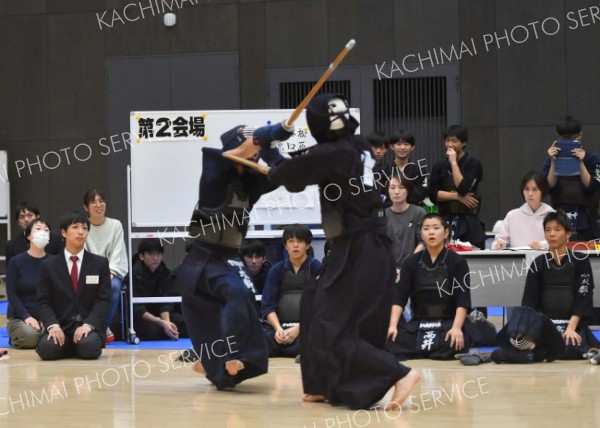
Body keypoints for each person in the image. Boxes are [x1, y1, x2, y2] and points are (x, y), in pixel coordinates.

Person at [267, 93, 420, 410]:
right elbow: (310, 163)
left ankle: (398, 373)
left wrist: (270, 148)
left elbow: (289, 177)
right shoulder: (358, 144)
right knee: (312, 306)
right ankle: (322, 384)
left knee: (327, 324)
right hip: (362, 248)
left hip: (359, 249)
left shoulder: (334, 151)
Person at [175, 121, 294, 390]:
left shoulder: (250, 184)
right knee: (234, 295)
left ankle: (219, 364)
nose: (253, 152)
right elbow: (239, 150)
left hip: (228, 256)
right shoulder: (214, 174)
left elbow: (284, 176)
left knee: (242, 299)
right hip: (203, 257)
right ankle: (229, 354)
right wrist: (269, 133)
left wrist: (274, 147)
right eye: (249, 145)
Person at [387, 213, 475, 360]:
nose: (431, 232)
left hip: (447, 323)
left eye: (436, 228)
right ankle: (430, 350)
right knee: (390, 339)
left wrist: (456, 328)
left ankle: (419, 350)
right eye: (426, 229)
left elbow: (463, 300)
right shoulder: (411, 262)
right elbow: (399, 298)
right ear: (421, 233)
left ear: (446, 232)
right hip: (419, 323)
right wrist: (392, 326)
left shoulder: (458, 261)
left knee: (456, 340)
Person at [519, 211, 599, 359]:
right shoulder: (538, 263)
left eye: (557, 229)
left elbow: (584, 296)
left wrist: (571, 328)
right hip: (545, 325)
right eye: (548, 230)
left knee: (570, 347)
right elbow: (529, 301)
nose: (552, 234)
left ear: (568, 234)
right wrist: (530, 331)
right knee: (518, 345)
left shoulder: (580, 261)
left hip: (573, 326)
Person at [35, 211, 111, 360]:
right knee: (47, 349)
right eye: (75, 227)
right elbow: (43, 301)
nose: (81, 232)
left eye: (85, 228)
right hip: (61, 326)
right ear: (64, 232)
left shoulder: (99, 263)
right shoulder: (48, 265)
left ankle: (77, 346)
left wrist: (89, 324)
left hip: (87, 327)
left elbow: (104, 300)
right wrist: (53, 325)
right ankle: (68, 345)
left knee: (88, 347)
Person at [261, 224, 321, 358]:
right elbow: (268, 306)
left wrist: (298, 329)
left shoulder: (317, 268)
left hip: (307, 327)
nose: (295, 245)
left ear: (308, 245)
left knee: (320, 335)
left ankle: (303, 351)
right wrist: (279, 330)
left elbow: (321, 306)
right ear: (285, 245)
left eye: (300, 241)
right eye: (291, 241)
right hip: (281, 327)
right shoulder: (276, 270)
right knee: (257, 336)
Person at [543, 116, 600, 240]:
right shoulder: (551, 160)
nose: (568, 142)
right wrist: (553, 161)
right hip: (559, 217)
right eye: (563, 139)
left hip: (586, 219)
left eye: (572, 138)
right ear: (557, 137)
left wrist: (580, 162)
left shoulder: (593, 159)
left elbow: (593, 188)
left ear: (580, 136)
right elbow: (549, 188)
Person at [428, 125, 486, 249]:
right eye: (447, 140)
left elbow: (463, 188)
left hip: (469, 222)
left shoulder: (474, 164)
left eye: (454, 141)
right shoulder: (439, 165)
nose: (450, 144)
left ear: (464, 142)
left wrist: (453, 162)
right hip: (446, 219)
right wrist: (457, 197)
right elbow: (433, 195)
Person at [83, 190, 128, 342]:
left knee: (113, 286)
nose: (98, 205)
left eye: (101, 201)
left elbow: (118, 252)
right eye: (93, 202)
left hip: (111, 273)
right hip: (89, 273)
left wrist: (110, 273)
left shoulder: (115, 225)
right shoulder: (83, 227)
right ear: (86, 207)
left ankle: (101, 327)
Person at [126, 238, 187, 341]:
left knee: (184, 325)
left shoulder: (166, 273)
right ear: (141, 256)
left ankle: (167, 329)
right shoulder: (132, 276)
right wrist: (160, 322)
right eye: (151, 254)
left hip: (160, 314)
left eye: (158, 254)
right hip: (141, 317)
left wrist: (167, 322)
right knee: (152, 331)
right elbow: (137, 309)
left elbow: (166, 302)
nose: (155, 258)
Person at [6, 219, 52, 348]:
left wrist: (48, 319)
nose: (42, 232)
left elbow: (56, 295)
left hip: (47, 317)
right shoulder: (16, 262)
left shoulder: (54, 262)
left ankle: (43, 334)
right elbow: (12, 294)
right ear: (28, 235)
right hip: (21, 317)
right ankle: (20, 335)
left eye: (46, 230)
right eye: (38, 229)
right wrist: (27, 317)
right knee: (30, 336)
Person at [492, 171, 555, 250]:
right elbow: (498, 240)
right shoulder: (512, 215)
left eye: (535, 189)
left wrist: (542, 245)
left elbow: (559, 241)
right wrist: (498, 244)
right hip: (517, 260)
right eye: (527, 189)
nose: (530, 194)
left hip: (545, 259)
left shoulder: (551, 215)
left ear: (542, 191)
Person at [5, 201, 63, 266]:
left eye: (29, 215)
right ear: (18, 222)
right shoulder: (12, 245)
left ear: (37, 217)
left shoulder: (56, 240)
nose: (26, 219)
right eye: (22, 217)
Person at [386, 175, 425, 270]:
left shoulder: (418, 212)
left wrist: (409, 265)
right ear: (388, 191)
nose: (396, 192)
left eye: (401, 187)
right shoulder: (382, 214)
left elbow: (423, 241)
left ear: (408, 190)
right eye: (392, 187)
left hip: (412, 266)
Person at [380, 131, 429, 205]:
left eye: (406, 144)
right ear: (392, 146)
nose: (402, 147)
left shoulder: (420, 170)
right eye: (398, 144)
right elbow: (380, 194)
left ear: (412, 147)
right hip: (389, 211)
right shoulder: (383, 170)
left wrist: (394, 192)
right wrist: (410, 189)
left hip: (414, 212)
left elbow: (422, 192)